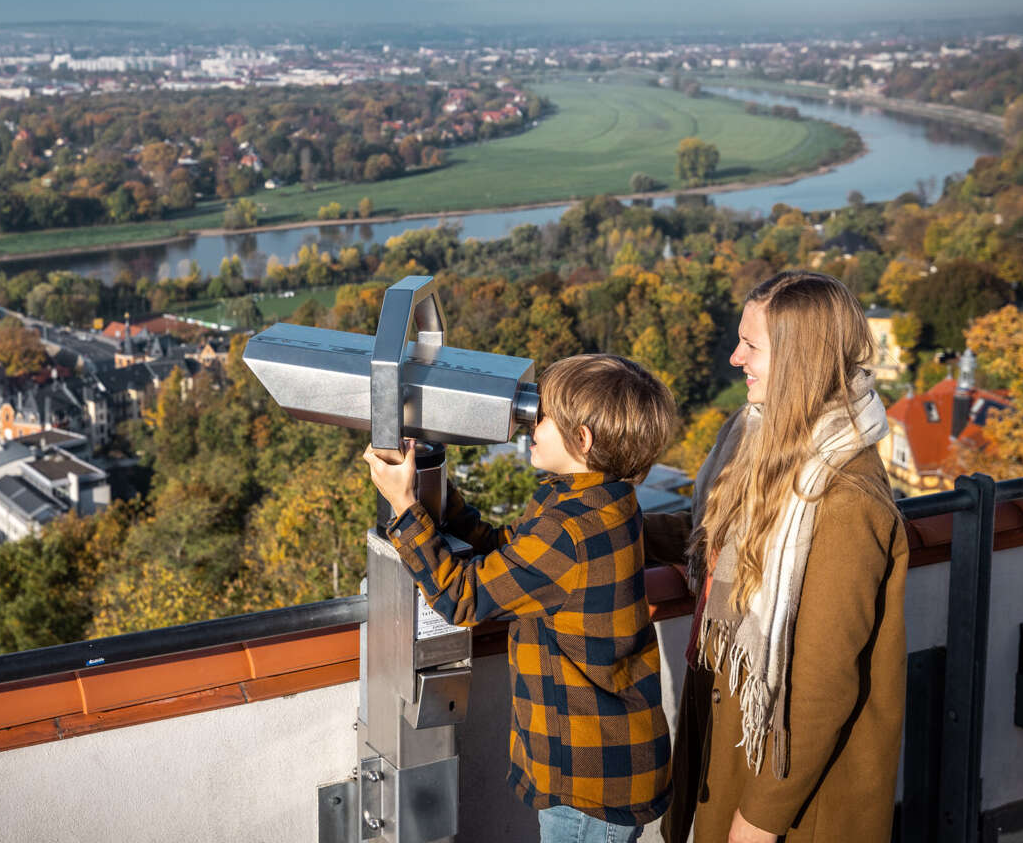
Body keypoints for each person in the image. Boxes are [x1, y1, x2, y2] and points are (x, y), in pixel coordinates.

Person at [365, 353, 677, 843]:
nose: (528, 420)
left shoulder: (569, 530)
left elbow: (461, 597)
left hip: (587, 786)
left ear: (583, 439)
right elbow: (508, 554)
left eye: (543, 414)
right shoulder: (599, 500)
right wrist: (436, 494)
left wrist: (404, 508)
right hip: (608, 764)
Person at [644, 270, 908, 843]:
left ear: (799, 359)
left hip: (789, 793)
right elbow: (711, 536)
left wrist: (759, 822)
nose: (736, 357)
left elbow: (823, 685)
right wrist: (611, 533)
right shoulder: (759, 441)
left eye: (752, 345)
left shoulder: (844, 500)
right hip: (734, 736)